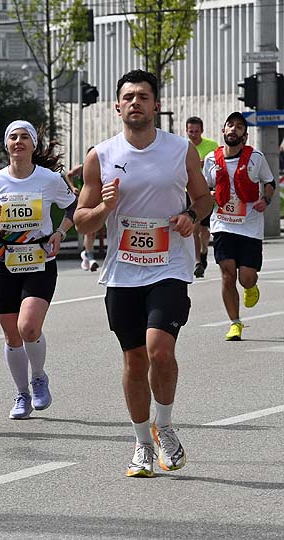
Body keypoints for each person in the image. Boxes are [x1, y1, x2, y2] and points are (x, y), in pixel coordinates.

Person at [75, 70, 213, 478]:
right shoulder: (100, 155)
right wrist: (105, 207)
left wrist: (190, 216)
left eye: (143, 96)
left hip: (169, 266)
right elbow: (82, 221)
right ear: (117, 107)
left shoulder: (180, 149)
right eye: (129, 97)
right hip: (123, 271)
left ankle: (164, 426)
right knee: (134, 360)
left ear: (156, 105)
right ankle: (141, 443)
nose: (135, 102)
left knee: (159, 350)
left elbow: (204, 198)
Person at [0, 121, 76, 419]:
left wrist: (60, 232)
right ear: (6, 145)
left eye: (24, 137)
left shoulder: (49, 179)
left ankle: (39, 377)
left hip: (39, 259)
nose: (18, 141)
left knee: (28, 327)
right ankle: (22, 394)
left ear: (33, 144)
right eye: (12, 137)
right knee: (12, 335)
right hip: (4, 260)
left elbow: (74, 206)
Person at [203, 112, 275, 341]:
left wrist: (266, 199)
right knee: (227, 274)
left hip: (250, 225)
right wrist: (209, 194)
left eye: (239, 127)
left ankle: (251, 286)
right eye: (230, 125)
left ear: (245, 135)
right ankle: (235, 323)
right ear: (223, 130)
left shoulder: (256, 157)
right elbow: (204, 187)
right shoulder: (211, 160)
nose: (233, 129)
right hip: (222, 223)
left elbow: (270, 182)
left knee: (246, 277)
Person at [186, 117, 220, 277]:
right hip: (188, 190)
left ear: (202, 131)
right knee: (194, 227)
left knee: (204, 229)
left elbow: (219, 166)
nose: (193, 134)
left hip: (206, 191)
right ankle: (197, 261)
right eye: (190, 131)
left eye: (196, 131)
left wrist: (204, 164)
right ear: (186, 131)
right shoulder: (184, 147)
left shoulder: (212, 146)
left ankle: (204, 250)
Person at [67, 147, 100, 272]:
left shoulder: (100, 167)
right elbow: (68, 175)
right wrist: (72, 187)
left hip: (95, 201)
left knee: (93, 231)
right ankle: (90, 257)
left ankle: (86, 254)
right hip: (83, 201)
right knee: (89, 230)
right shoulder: (82, 168)